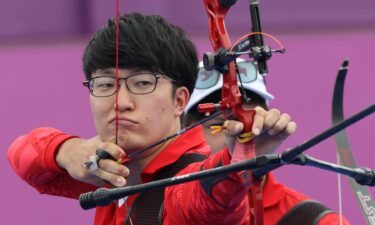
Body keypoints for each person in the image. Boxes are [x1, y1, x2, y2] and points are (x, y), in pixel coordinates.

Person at [6, 13, 346, 225]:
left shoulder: (189, 180)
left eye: (141, 83)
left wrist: (239, 159)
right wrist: (68, 151)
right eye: (105, 84)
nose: (119, 102)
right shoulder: (111, 167)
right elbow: (23, 155)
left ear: (178, 100)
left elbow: (202, 199)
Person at [183, 59, 350, 225]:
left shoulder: (312, 220)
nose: (236, 137)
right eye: (218, 125)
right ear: (184, 130)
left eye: (249, 122)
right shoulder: (165, 208)